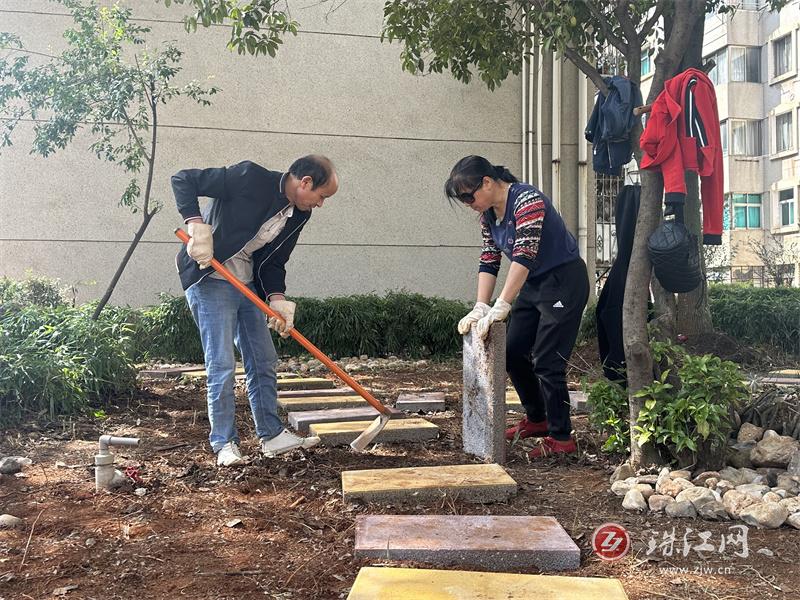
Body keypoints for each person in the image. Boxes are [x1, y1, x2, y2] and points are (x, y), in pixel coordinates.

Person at [173, 156, 339, 466]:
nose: (321, 204)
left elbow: (273, 261)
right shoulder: (249, 177)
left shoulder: (298, 215)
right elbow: (184, 179)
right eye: (322, 196)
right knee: (221, 364)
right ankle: (224, 443)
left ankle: (271, 435)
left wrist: (277, 299)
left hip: (246, 285)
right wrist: (196, 225)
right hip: (210, 277)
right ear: (305, 183)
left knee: (263, 358)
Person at [446, 155, 589, 458]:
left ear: (487, 182)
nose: (468, 203)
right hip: (533, 283)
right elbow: (490, 258)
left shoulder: (527, 200)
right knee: (511, 353)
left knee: (548, 361)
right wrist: (480, 305)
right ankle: (538, 419)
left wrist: (503, 303)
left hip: (563, 280)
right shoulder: (488, 214)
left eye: (468, 196)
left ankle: (562, 438)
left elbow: (523, 255)